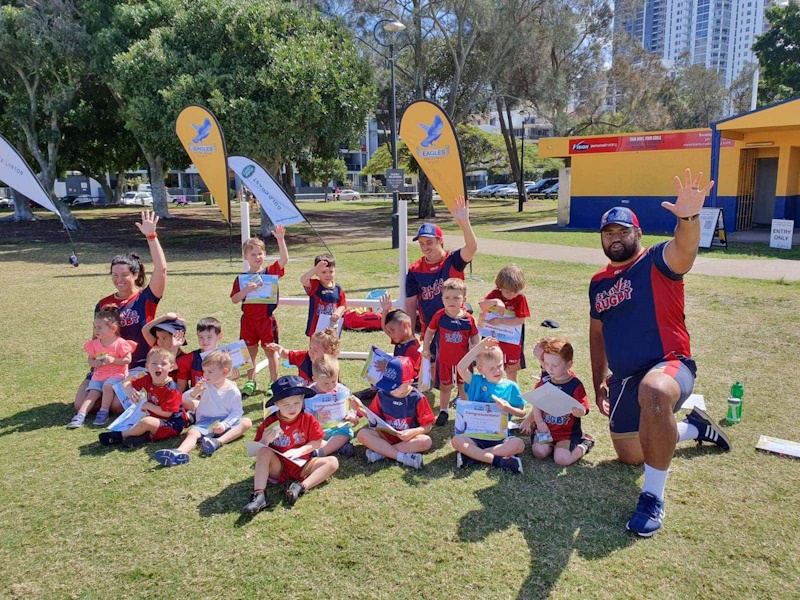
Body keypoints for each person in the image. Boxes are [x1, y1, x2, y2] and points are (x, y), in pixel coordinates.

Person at [588, 169, 731, 537]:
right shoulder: (598, 282)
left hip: (669, 365)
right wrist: (598, 380)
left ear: (639, 234)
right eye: (609, 232)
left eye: (623, 231)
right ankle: (693, 427)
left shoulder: (656, 261)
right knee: (631, 455)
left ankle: (652, 498)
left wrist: (687, 218)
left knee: (653, 394)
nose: (616, 238)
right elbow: (597, 333)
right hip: (623, 378)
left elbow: (685, 250)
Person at [73, 211, 167, 414]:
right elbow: (96, 337)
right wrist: (96, 363)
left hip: (137, 365)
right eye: (115, 275)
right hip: (108, 367)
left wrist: (152, 237)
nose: (119, 279)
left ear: (135, 275)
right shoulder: (103, 303)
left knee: (116, 406)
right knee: (80, 405)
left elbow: (161, 270)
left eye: (124, 275)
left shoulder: (146, 298)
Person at [242, 376, 339, 514]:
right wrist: (264, 441)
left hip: (303, 465)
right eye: (286, 405)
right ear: (277, 404)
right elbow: (256, 450)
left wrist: (300, 451)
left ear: (303, 399)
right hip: (279, 468)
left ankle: (300, 487)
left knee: (332, 462)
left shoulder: (308, 418)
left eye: (297, 403)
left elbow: (317, 441)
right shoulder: (270, 422)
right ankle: (260, 495)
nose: (292, 408)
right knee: (264, 451)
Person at [153, 350, 252, 466]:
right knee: (192, 433)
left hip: (225, 421)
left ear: (224, 372)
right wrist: (194, 392)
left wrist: (224, 425)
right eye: (204, 371)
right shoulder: (205, 384)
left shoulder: (233, 391)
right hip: (206, 421)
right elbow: (184, 399)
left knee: (246, 422)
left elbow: (236, 412)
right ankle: (179, 453)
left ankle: (217, 442)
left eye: (209, 372)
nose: (205, 375)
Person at [451, 338, 527, 473]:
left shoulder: (511, 386)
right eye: (491, 368)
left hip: (499, 438)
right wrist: (479, 348)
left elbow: (522, 413)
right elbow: (461, 367)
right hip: (474, 435)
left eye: (499, 366)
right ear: (480, 369)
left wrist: (507, 408)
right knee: (456, 441)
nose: (496, 371)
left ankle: (474, 456)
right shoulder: (476, 382)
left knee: (519, 445)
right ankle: (498, 460)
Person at [404, 196, 477, 335]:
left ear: (440, 242)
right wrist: (411, 335)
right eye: (421, 244)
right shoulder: (415, 269)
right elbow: (411, 305)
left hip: (456, 327)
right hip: (430, 332)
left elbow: (471, 248)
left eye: (429, 242)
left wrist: (465, 222)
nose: (425, 247)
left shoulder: (453, 260)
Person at [230, 226, 289, 395]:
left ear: (264, 255)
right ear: (245, 256)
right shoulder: (241, 279)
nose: (257, 257)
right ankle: (251, 381)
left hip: (266, 320)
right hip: (248, 321)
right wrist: (246, 291)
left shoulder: (269, 272)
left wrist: (280, 239)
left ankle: (273, 382)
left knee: (271, 352)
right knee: (250, 353)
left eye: (260, 253)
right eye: (253, 254)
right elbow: (234, 299)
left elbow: (284, 260)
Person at [519, 338, 594, 466]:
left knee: (561, 460)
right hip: (546, 430)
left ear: (568, 364)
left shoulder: (575, 385)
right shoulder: (545, 381)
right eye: (546, 364)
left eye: (554, 365)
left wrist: (579, 412)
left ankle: (584, 444)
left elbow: (582, 408)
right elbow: (536, 403)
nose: (549, 369)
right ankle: (551, 447)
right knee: (539, 452)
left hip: (566, 433)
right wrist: (539, 421)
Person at [350, 356, 433, 470]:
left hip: (407, 439)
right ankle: (401, 457)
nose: (391, 390)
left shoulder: (418, 398)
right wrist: (360, 408)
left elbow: (427, 426)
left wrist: (412, 432)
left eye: (396, 386)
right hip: (385, 436)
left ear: (409, 382)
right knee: (362, 434)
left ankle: (382, 452)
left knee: (426, 441)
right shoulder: (382, 394)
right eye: (388, 384)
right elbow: (374, 417)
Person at [98, 347, 186, 448]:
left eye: (163, 364)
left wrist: (147, 405)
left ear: (171, 367)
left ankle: (120, 435)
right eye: (154, 363)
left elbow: (167, 412)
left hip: (171, 424)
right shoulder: (147, 379)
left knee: (146, 421)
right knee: (138, 419)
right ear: (147, 367)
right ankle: (141, 437)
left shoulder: (172, 389)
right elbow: (126, 383)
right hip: (154, 418)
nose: (158, 366)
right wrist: (129, 390)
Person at [422, 278, 480, 426]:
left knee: (463, 386)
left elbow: (474, 335)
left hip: (463, 363)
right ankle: (443, 411)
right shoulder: (440, 316)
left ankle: (467, 411)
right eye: (447, 298)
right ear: (442, 299)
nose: (451, 301)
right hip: (444, 361)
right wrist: (426, 347)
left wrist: (475, 347)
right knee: (445, 387)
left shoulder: (468, 319)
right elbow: (430, 331)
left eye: (456, 298)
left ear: (464, 300)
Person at [69, 305, 137, 428]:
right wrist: (93, 363)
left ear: (113, 328)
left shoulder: (121, 343)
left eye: (100, 328)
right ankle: (81, 414)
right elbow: (90, 358)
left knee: (107, 386)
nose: (96, 331)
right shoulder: (95, 344)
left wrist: (113, 360)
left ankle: (103, 411)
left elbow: (127, 359)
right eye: (95, 327)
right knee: (93, 392)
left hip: (117, 374)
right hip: (99, 374)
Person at [352, 292, 423, 403]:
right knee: (375, 367)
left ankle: (379, 391)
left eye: (393, 331)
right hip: (396, 375)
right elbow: (384, 327)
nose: (391, 335)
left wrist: (388, 368)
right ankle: (374, 389)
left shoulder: (413, 348)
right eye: (389, 332)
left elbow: (409, 374)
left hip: (407, 383)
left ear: (405, 325)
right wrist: (385, 310)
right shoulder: (400, 339)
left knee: (382, 372)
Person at [478, 264, 530, 382]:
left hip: (511, 342)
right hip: (493, 340)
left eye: (514, 291)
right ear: (500, 286)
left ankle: (513, 396)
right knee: (490, 367)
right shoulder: (495, 294)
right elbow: (482, 305)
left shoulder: (520, 298)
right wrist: (496, 301)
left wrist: (500, 321)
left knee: (511, 370)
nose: (510, 294)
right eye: (507, 291)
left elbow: (520, 319)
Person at [307, 355, 359, 458]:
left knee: (347, 431)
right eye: (325, 383)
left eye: (334, 381)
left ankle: (322, 451)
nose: (330, 386)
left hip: (337, 429)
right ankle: (337, 448)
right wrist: (316, 416)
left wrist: (351, 415)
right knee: (306, 436)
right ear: (314, 379)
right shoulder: (308, 393)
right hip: (317, 430)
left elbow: (350, 409)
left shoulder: (342, 390)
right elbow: (304, 415)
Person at [266, 327, 341, 383]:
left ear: (328, 352)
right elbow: (287, 354)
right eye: (310, 348)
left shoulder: (332, 365)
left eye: (315, 350)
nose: (311, 352)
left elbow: (334, 384)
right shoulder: (303, 357)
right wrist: (280, 349)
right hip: (304, 394)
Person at [300, 254, 346, 338]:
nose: (327, 275)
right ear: (317, 273)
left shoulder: (338, 288)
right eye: (323, 272)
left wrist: (338, 312)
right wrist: (315, 269)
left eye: (331, 272)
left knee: (331, 350)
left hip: (331, 328)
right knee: (315, 350)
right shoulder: (314, 285)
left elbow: (343, 304)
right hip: (316, 329)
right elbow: (303, 280)